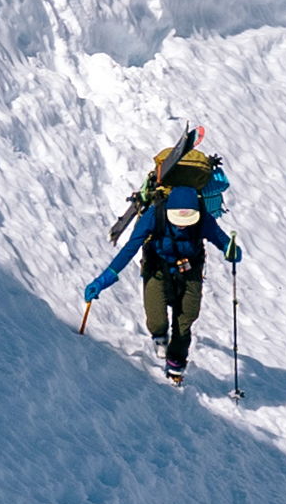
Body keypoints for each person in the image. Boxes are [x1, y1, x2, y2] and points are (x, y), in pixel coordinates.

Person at [76, 126, 239, 381]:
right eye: (179, 219)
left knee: (185, 321)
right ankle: (159, 337)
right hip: (157, 266)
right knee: (157, 322)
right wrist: (103, 280)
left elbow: (221, 240)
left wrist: (231, 250)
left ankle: (176, 364)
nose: (183, 224)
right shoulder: (154, 214)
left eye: (188, 219)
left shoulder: (202, 217)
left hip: (191, 269)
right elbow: (130, 248)